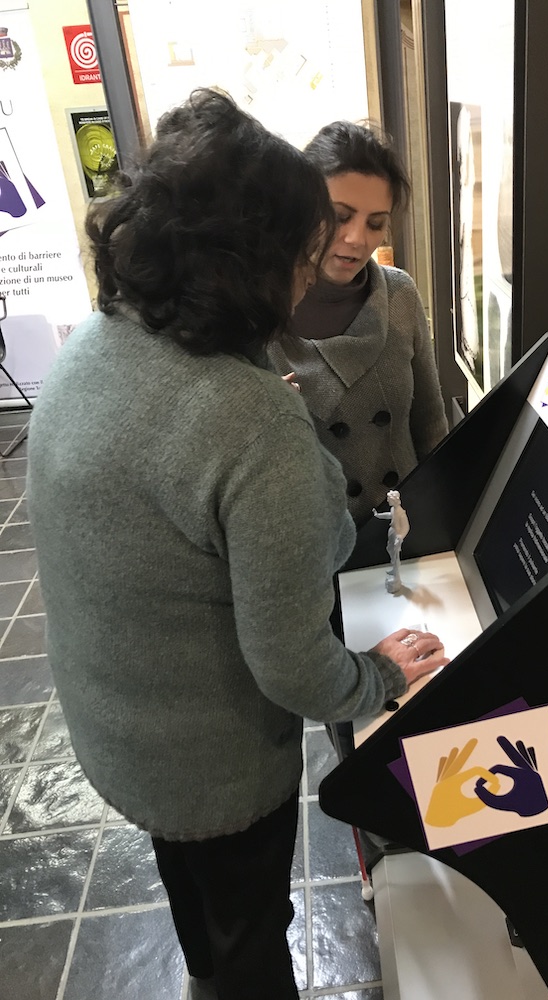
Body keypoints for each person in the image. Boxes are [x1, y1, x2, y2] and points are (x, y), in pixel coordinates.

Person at [27, 89, 449, 1000]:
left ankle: (211, 973)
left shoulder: (105, 339)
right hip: (210, 754)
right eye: (317, 236)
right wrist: (375, 676)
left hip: (123, 720)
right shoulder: (251, 418)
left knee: (206, 911)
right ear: (261, 259)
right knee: (254, 926)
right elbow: (295, 664)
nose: (336, 255)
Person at [267, 120, 449, 526]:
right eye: (339, 216)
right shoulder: (259, 315)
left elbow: (432, 426)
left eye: (375, 223)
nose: (356, 238)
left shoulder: (399, 294)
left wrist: (446, 524)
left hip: (405, 534)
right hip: (317, 549)